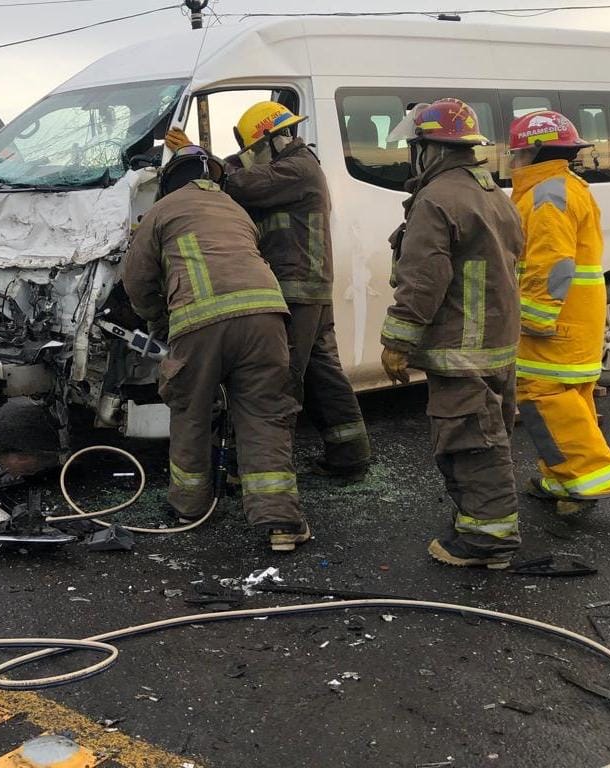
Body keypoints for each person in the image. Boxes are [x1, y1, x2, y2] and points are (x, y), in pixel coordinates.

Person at [165, 102, 371, 481]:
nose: (250, 159)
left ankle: (266, 470)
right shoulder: (289, 164)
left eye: (253, 150)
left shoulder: (298, 168)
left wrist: (194, 155)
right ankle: (348, 455)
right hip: (307, 287)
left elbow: (241, 183)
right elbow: (238, 169)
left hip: (294, 288)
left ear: (270, 142)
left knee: (279, 379)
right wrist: (204, 155)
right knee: (323, 374)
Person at [122, 145, 310, 552]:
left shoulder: (163, 209)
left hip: (199, 323)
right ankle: (281, 522)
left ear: (170, 179)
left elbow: (136, 277)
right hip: (266, 317)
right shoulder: (234, 208)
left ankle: (189, 506)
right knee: (265, 413)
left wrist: (157, 318)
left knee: (191, 411)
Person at [379, 99, 523, 569]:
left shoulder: (438, 198)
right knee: (488, 431)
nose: (411, 156)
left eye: (414, 147)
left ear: (430, 150)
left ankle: (488, 540)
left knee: (470, 439)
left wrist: (397, 341)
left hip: (463, 345)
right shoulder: (490, 192)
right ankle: (477, 523)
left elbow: (422, 277)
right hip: (495, 341)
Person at [508, 111, 610, 516]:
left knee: (543, 398)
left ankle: (590, 479)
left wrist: (535, 317)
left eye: (518, 152)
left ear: (535, 151)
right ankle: (560, 478)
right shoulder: (566, 186)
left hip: (554, 323)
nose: (512, 160)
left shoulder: (546, 194)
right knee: (572, 401)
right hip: (577, 318)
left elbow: (550, 264)